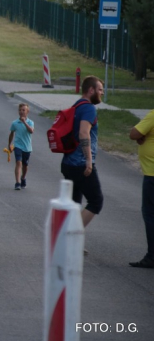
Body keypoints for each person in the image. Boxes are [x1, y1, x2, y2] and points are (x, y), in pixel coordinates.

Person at [60, 76, 105, 230]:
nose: (102, 93)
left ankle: (68, 240)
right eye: (100, 90)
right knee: (96, 201)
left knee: (74, 203)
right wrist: (88, 160)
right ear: (91, 90)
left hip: (68, 163)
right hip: (80, 164)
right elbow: (83, 133)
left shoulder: (77, 105)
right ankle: (70, 235)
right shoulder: (89, 108)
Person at [129, 109, 154, 268]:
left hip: (152, 173)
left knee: (150, 214)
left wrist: (142, 136)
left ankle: (152, 255)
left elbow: (134, 133)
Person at [8, 103, 34, 190]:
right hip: (18, 146)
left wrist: (24, 122)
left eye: (23, 110)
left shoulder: (30, 122)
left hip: (27, 147)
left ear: (27, 111)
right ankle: (17, 182)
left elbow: (31, 131)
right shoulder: (15, 123)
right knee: (18, 162)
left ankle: (23, 178)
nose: (21, 112)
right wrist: (9, 144)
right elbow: (11, 133)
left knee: (25, 165)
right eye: (20, 110)